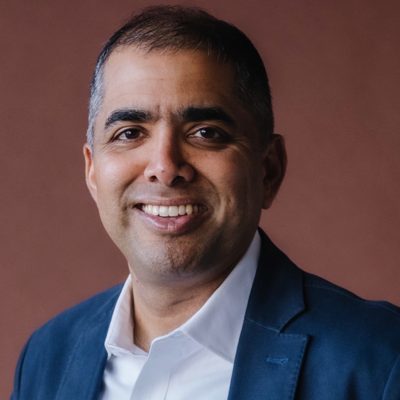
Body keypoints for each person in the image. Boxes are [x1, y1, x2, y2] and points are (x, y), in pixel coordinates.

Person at [11, 5, 400, 400]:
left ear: (268, 170)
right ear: (93, 172)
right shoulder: (48, 357)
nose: (165, 167)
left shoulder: (380, 361)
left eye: (205, 132)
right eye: (129, 133)